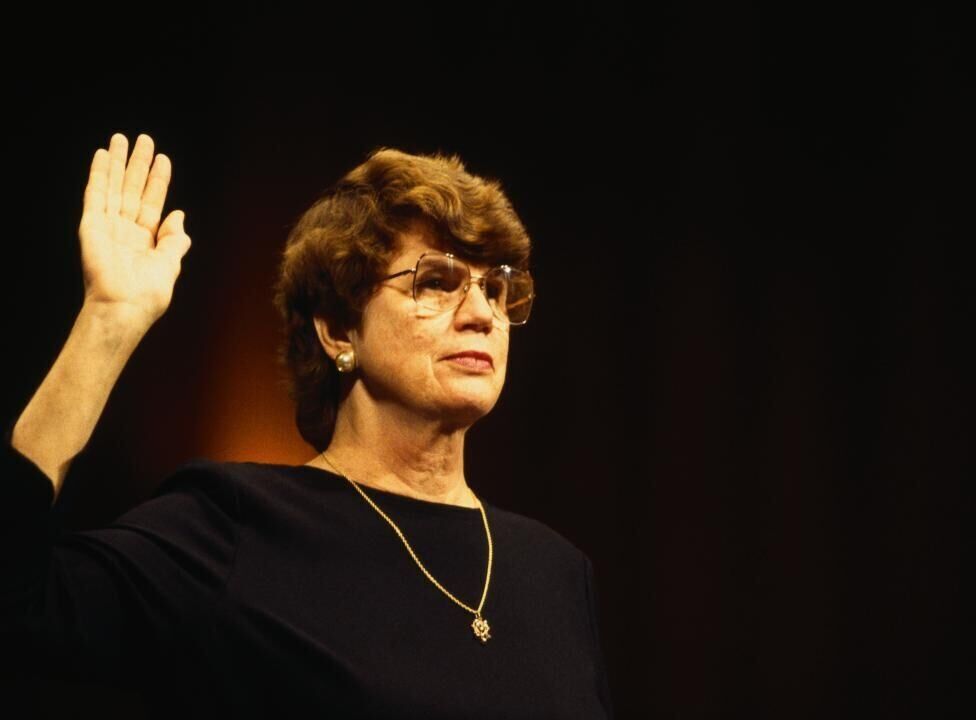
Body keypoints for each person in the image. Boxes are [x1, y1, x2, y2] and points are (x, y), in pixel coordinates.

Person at [1, 133, 614, 718]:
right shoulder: (237, 528)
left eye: (498, 289)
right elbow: (18, 601)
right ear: (338, 330)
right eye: (436, 282)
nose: (483, 313)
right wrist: (109, 321)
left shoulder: (555, 573)